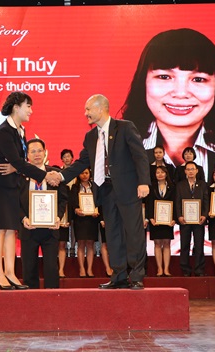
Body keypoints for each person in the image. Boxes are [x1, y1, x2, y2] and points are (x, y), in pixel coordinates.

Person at [119, 28, 215, 233]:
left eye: (198, 79)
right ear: (143, 82)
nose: (181, 93)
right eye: (164, 76)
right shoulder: (123, 144)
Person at [48, 94, 150, 290]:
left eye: (88, 109)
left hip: (129, 190)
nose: (85, 113)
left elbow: (140, 156)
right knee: (113, 234)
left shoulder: (125, 127)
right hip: (106, 191)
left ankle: (137, 275)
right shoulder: (90, 137)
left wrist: (144, 182)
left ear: (101, 109)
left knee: (134, 233)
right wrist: (60, 176)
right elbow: (82, 163)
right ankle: (118, 275)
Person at [0, 91, 56, 290]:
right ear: (16, 107)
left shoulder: (19, 130)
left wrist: (16, 167)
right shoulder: (4, 131)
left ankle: (10, 273)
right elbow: (17, 161)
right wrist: (45, 175)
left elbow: (17, 162)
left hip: (9, 183)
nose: (31, 111)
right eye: (28, 106)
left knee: (10, 229)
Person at [18, 139, 68, 289]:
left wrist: (58, 216)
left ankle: (53, 299)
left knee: (51, 268)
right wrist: (23, 218)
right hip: (28, 229)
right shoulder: (20, 175)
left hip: (50, 230)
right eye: (33, 151)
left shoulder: (55, 174)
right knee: (29, 269)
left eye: (39, 150)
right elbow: (14, 201)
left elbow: (63, 199)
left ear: (45, 152)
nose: (37, 154)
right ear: (27, 155)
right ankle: (30, 299)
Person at [175, 161, 209, 277]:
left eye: (192, 169)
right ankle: (185, 269)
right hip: (184, 220)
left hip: (199, 220)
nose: (190, 171)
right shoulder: (180, 185)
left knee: (199, 245)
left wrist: (204, 215)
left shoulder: (203, 184)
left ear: (197, 171)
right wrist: (179, 216)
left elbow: (206, 201)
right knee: (184, 245)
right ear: (185, 171)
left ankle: (199, 269)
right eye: (188, 169)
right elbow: (177, 202)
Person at [146, 166, 176, 277]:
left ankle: (166, 269)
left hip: (168, 220)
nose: (160, 174)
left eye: (162, 172)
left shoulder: (172, 187)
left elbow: (175, 203)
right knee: (157, 244)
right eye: (157, 172)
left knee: (167, 244)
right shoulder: (151, 187)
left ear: (166, 174)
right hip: (155, 220)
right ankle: (159, 268)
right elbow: (148, 203)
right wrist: (150, 217)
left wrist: (174, 218)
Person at [70, 167, 100, 278]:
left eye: (86, 173)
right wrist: (76, 209)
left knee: (90, 244)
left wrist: (96, 210)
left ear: (90, 174)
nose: (84, 175)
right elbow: (72, 202)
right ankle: (82, 269)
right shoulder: (75, 187)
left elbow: (99, 201)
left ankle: (89, 269)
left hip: (92, 219)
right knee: (81, 244)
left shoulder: (95, 187)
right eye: (82, 173)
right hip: (80, 219)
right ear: (78, 175)